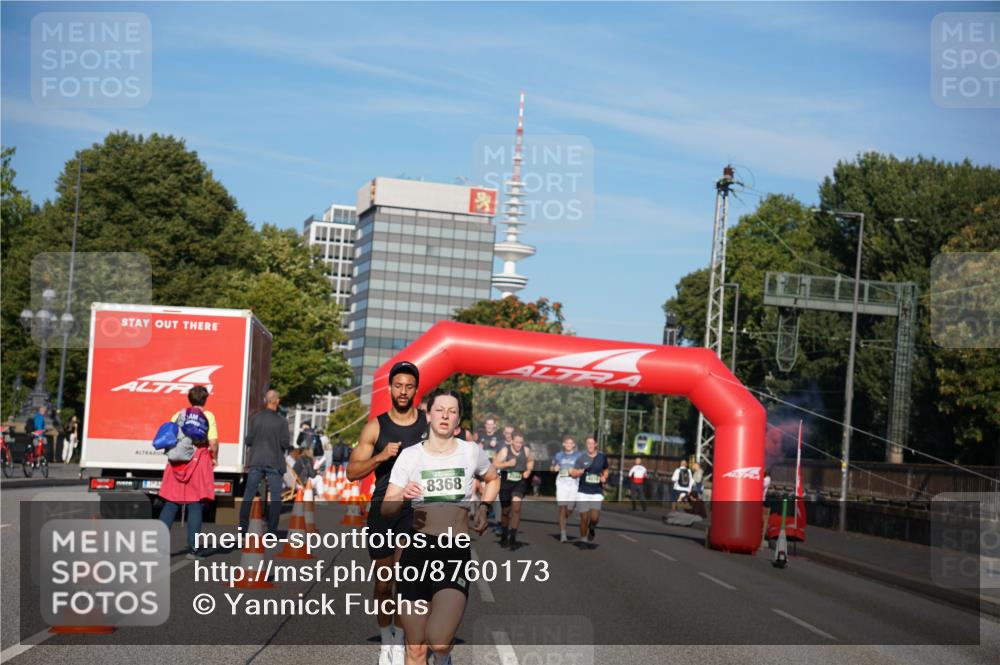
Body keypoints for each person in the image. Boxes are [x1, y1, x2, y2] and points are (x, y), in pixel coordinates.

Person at [382, 389, 500, 665]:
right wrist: (402, 495)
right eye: (440, 409)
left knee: (438, 640)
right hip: (416, 550)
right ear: (429, 414)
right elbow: (387, 508)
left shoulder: (471, 453)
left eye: (452, 411)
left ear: (458, 419)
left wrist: (483, 507)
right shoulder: (411, 456)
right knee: (416, 647)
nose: (445, 415)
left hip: (453, 552)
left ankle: (444, 658)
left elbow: (493, 479)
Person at [347, 361, 427, 665]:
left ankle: (409, 644)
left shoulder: (427, 427)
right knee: (383, 583)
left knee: (406, 575)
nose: (403, 391)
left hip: (415, 509)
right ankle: (387, 641)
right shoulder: (376, 427)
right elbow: (351, 472)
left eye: (409, 386)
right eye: (398, 385)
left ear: (415, 389)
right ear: (390, 388)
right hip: (383, 508)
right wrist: (381, 456)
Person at [158, 386, 218, 559]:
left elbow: (170, 437)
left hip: (176, 463)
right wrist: (214, 457)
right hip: (197, 461)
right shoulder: (208, 416)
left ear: (189, 399)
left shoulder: (178, 415)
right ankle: (193, 549)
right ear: (205, 399)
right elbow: (213, 442)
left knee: (171, 503)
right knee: (195, 504)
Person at [239, 390, 290, 536]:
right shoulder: (282, 421)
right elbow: (285, 443)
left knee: (249, 494)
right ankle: (272, 530)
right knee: (275, 497)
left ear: (265, 400)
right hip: (274, 462)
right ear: (277, 401)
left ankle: (243, 528)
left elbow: (248, 440)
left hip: (256, 460)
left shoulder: (256, 418)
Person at [494, 430, 534, 549]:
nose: (518, 445)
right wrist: (507, 464)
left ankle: (513, 537)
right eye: (516, 442)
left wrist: (528, 470)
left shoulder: (526, 450)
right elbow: (495, 464)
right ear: (512, 441)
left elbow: (531, 461)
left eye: (520, 443)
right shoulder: (505, 450)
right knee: (505, 511)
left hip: (519, 482)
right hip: (506, 483)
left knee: (516, 509)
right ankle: (504, 535)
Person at [569, 436, 608, 548]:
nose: (590, 446)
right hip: (583, 491)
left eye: (592, 443)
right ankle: (583, 540)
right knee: (584, 518)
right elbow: (573, 473)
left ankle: (592, 527)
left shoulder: (602, 457)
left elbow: (605, 470)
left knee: (594, 518)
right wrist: (577, 473)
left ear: (596, 444)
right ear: (586, 445)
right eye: (588, 443)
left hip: (596, 491)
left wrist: (604, 478)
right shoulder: (581, 458)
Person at [550, 435, 581, 542]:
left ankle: (562, 519)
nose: (568, 445)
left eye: (570, 443)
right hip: (561, 483)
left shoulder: (578, 455)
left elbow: (583, 468)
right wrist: (554, 468)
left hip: (573, 483)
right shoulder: (558, 455)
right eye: (566, 443)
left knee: (570, 509)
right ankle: (563, 534)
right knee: (562, 507)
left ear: (574, 445)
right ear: (563, 444)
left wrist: (576, 472)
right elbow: (552, 468)